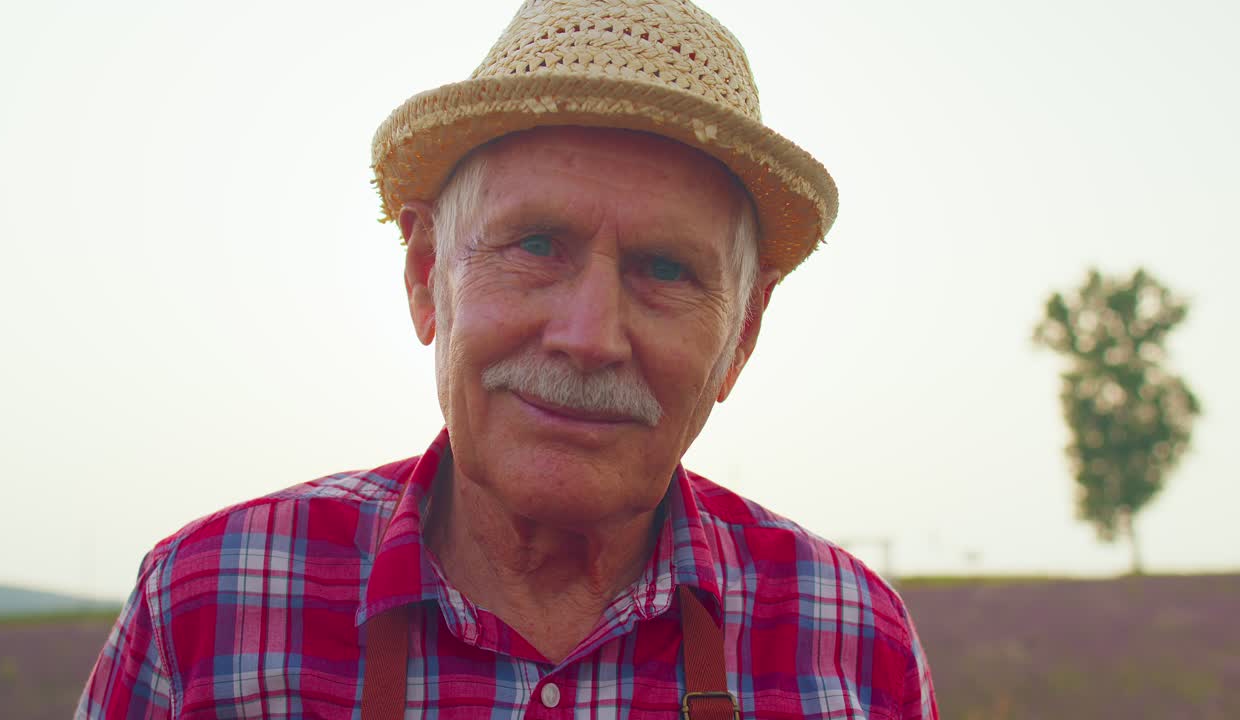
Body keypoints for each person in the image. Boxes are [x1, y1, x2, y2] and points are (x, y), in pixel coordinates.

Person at [78, 1, 938, 718]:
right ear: (426, 276)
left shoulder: (861, 644)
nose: (590, 336)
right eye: (536, 245)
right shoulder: (205, 605)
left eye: (666, 269)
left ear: (742, 334)